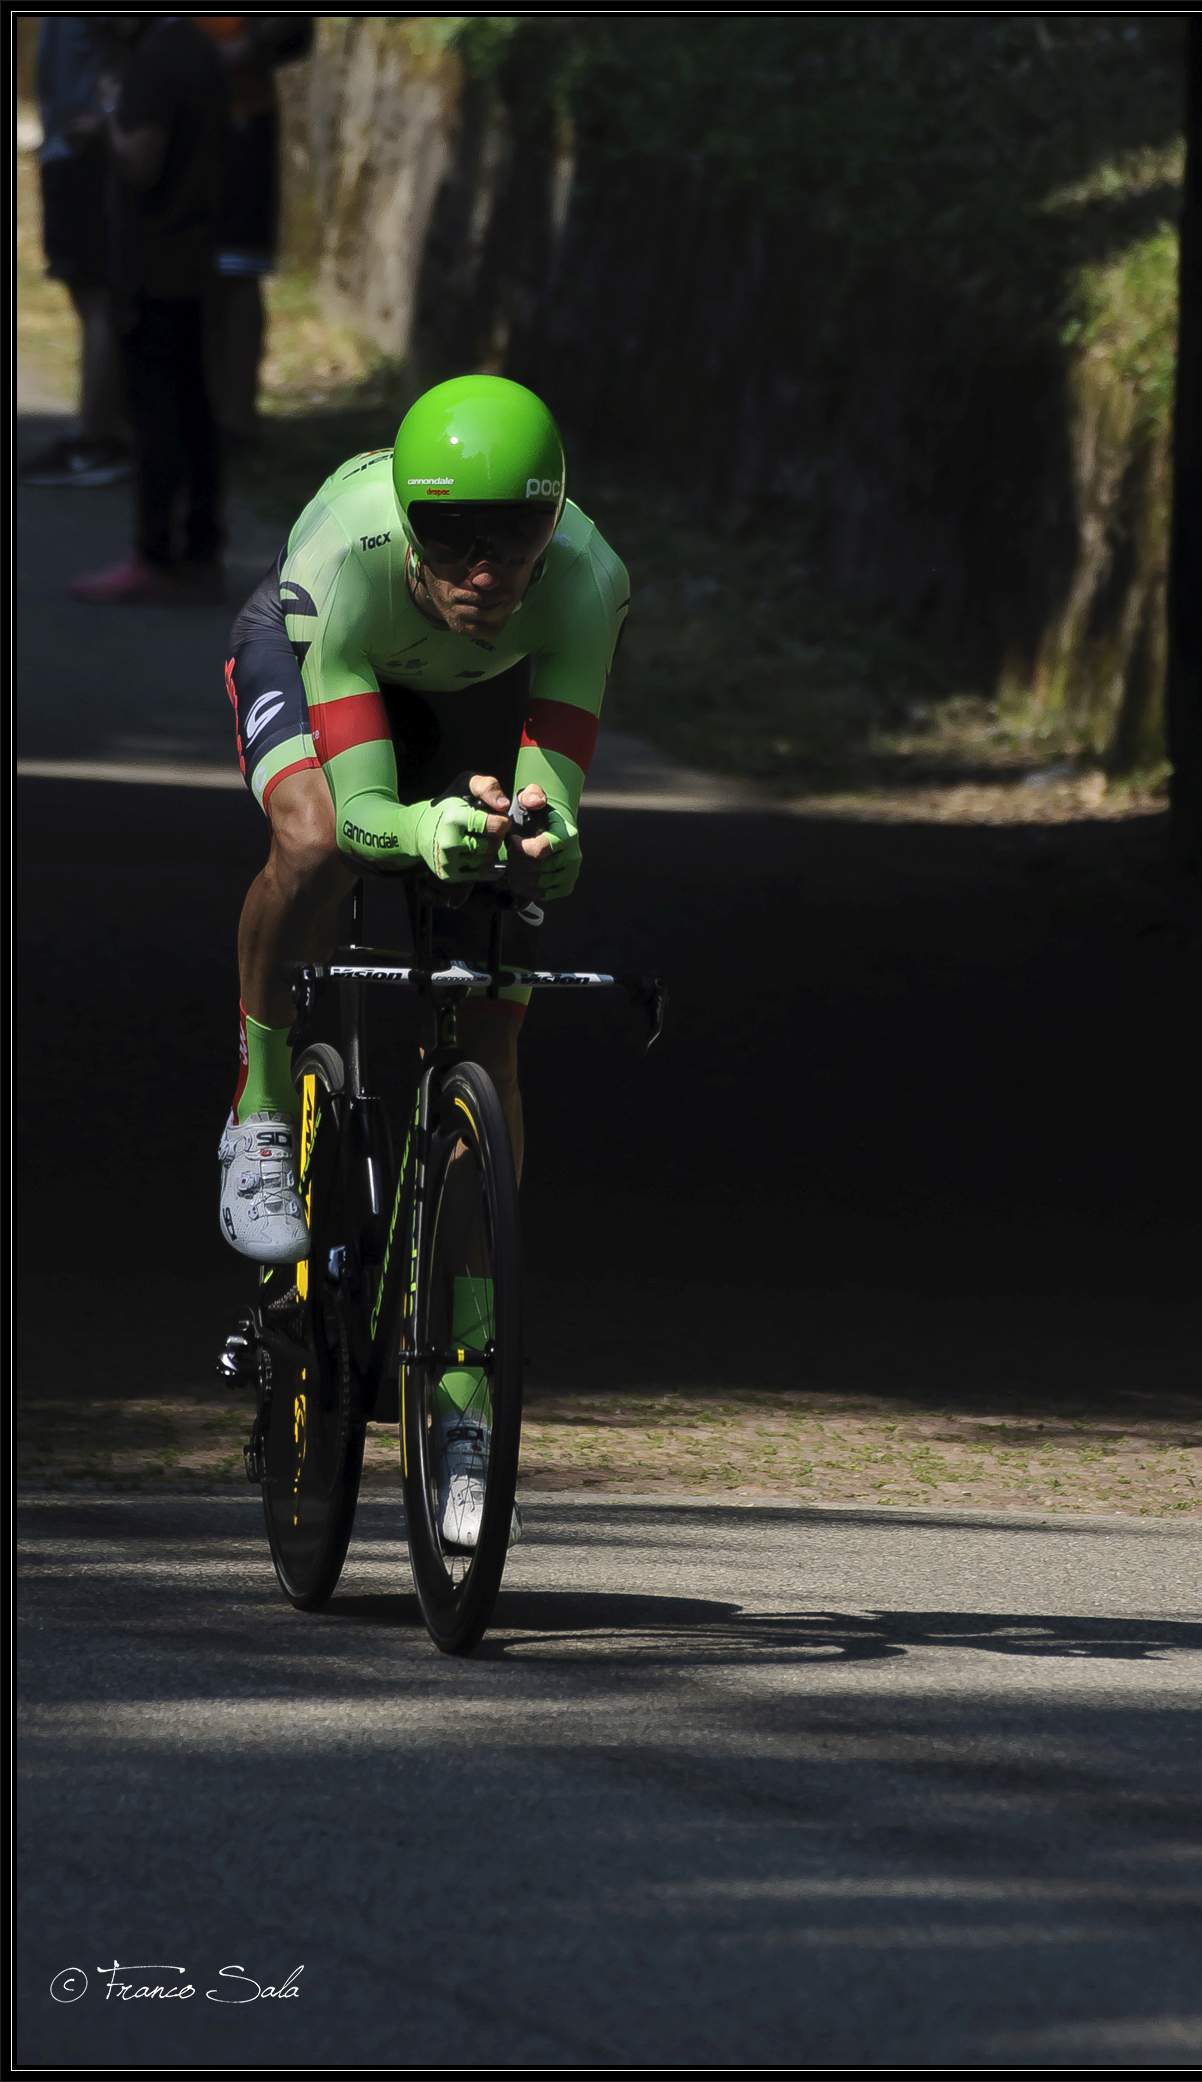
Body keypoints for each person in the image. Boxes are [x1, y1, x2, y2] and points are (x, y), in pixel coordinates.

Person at [219, 373, 628, 1548]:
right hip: (328, 660)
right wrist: (414, 829)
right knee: (308, 846)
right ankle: (255, 1102)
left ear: (556, 522)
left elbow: (552, 786)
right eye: (450, 535)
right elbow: (361, 816)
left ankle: (461, 1391)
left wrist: (542, 842)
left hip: (473, 699)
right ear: (406, 518)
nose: (483, 571)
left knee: (492, 1012)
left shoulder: (589, 584)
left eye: (513, 537)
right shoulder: (354, 559)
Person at [70, 15, 231, 606]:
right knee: (194, 409)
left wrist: (111, 115)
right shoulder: (197, 48)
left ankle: (156, 554)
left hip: (155, 266)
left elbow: (141, 158)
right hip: (192, 260)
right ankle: (200, 553)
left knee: (158, 412)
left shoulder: (156, 59)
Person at [21, 15, 129, 489]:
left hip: (89, 151)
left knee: (98, 296)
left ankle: (95, 437)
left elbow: (135, 36)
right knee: (88, 296)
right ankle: (99, 429)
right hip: (69, 148)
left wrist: (109, 117)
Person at [195, 15, 314, 447]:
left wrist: (248, 45)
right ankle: (199, 409)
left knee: (236, 268)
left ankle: (234, 417)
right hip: (177, 107)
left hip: (239, 110)